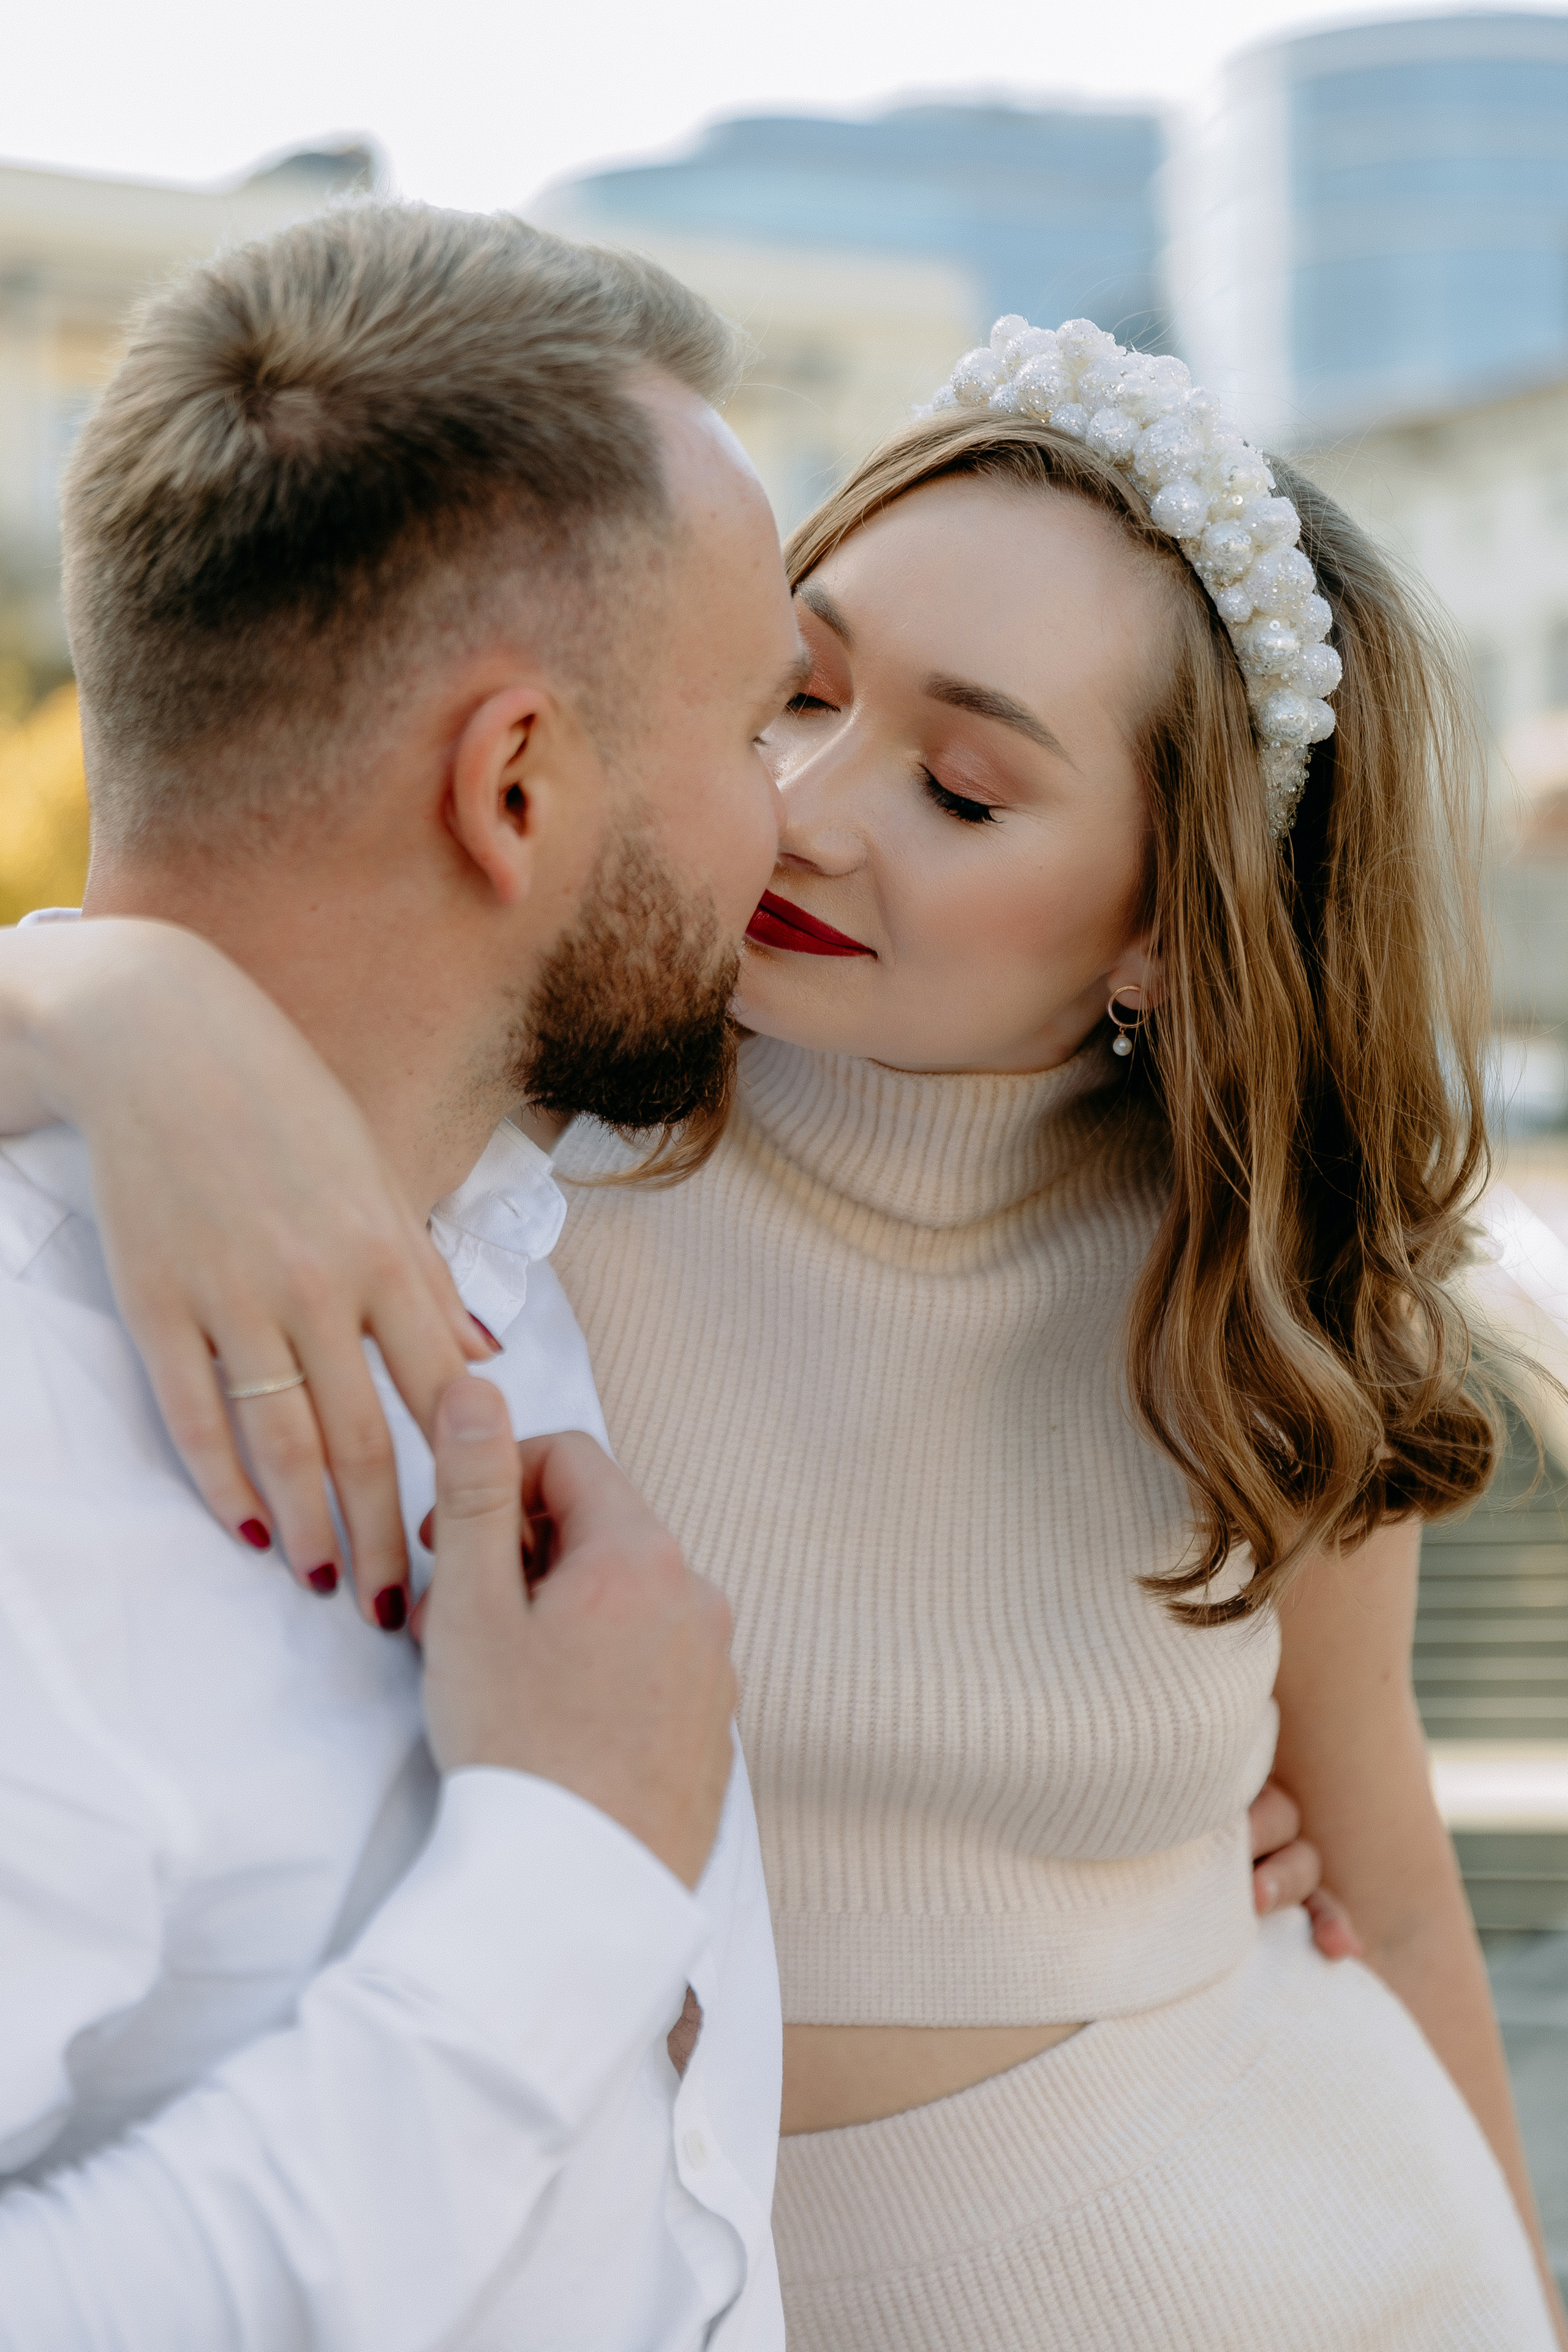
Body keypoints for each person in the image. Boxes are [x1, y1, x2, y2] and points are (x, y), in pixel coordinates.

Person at [0, 282, 1547, 2347]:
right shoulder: (562, 1120)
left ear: (1174, 925)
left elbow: (1392, 1883)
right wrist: (105, 994)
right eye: (788, 701)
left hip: (1283, 2253)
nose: (814, 805)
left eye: (965, 790)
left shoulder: (1261, 1294)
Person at [0, 203, 812, 2350]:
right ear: (517, 783)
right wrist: (564, 1875)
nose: (792, 828)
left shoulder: (527, 1219)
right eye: (759, 727)